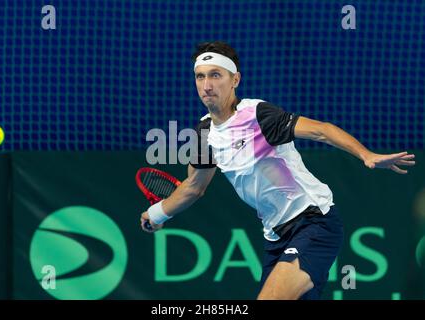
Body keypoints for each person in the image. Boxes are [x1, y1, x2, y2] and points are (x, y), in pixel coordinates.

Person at [140, 41, 416, 300]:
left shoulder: (258, 115)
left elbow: (321, 131)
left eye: (216, 75)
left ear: (235, 79)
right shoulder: (203, 134)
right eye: (200, 77)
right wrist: (156, 214)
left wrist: (365, 155)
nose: (207, 85)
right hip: (275, 236)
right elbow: (193, 187)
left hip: (313, 222)